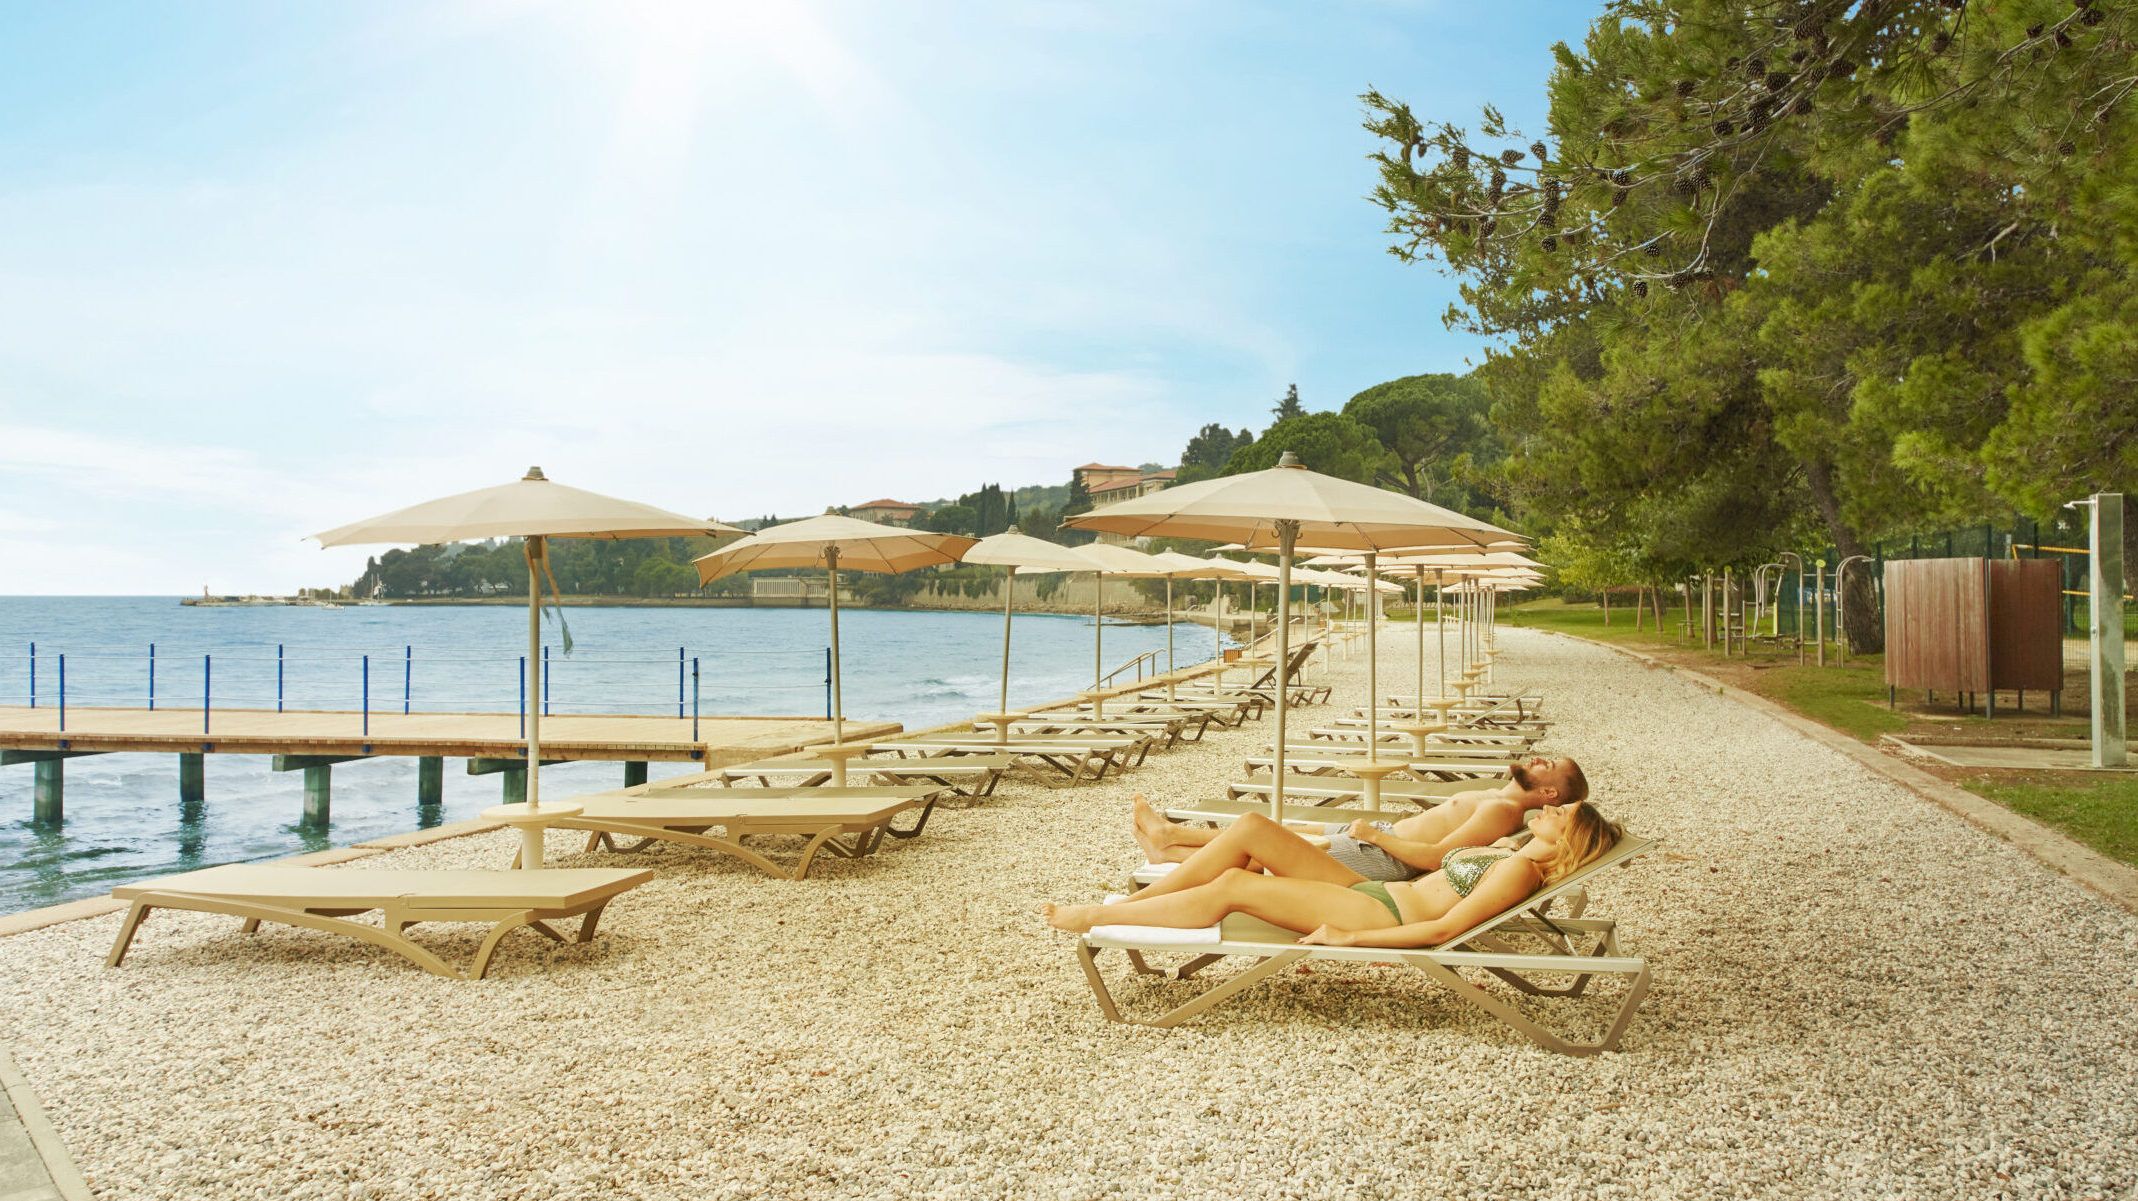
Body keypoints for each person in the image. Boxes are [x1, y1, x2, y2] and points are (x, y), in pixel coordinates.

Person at [1046, 801, 1623, 948]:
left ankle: (1099, 916)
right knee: (1251, 828)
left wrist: (1353, 939)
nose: (1548, 812)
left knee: (1233, 888)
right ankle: (1159, 883)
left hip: (1379, 912)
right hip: (1373, 891)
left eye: (1560, 814)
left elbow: (1443, 932)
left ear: (1570, 839)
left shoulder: (1519, 872)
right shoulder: (1514, 852)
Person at [1129, 755, 1588, 890]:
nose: (1538, 757)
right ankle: (1170, 846)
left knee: (1261, 847)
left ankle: (1169, 840)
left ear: (1548, 793)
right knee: (1273, 833)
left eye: (1549, 765)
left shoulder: (1501, 811)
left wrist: (1371, 834)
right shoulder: (1495, 796)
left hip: (1382, 858)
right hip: (1382, 840)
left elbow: (1435, 860)